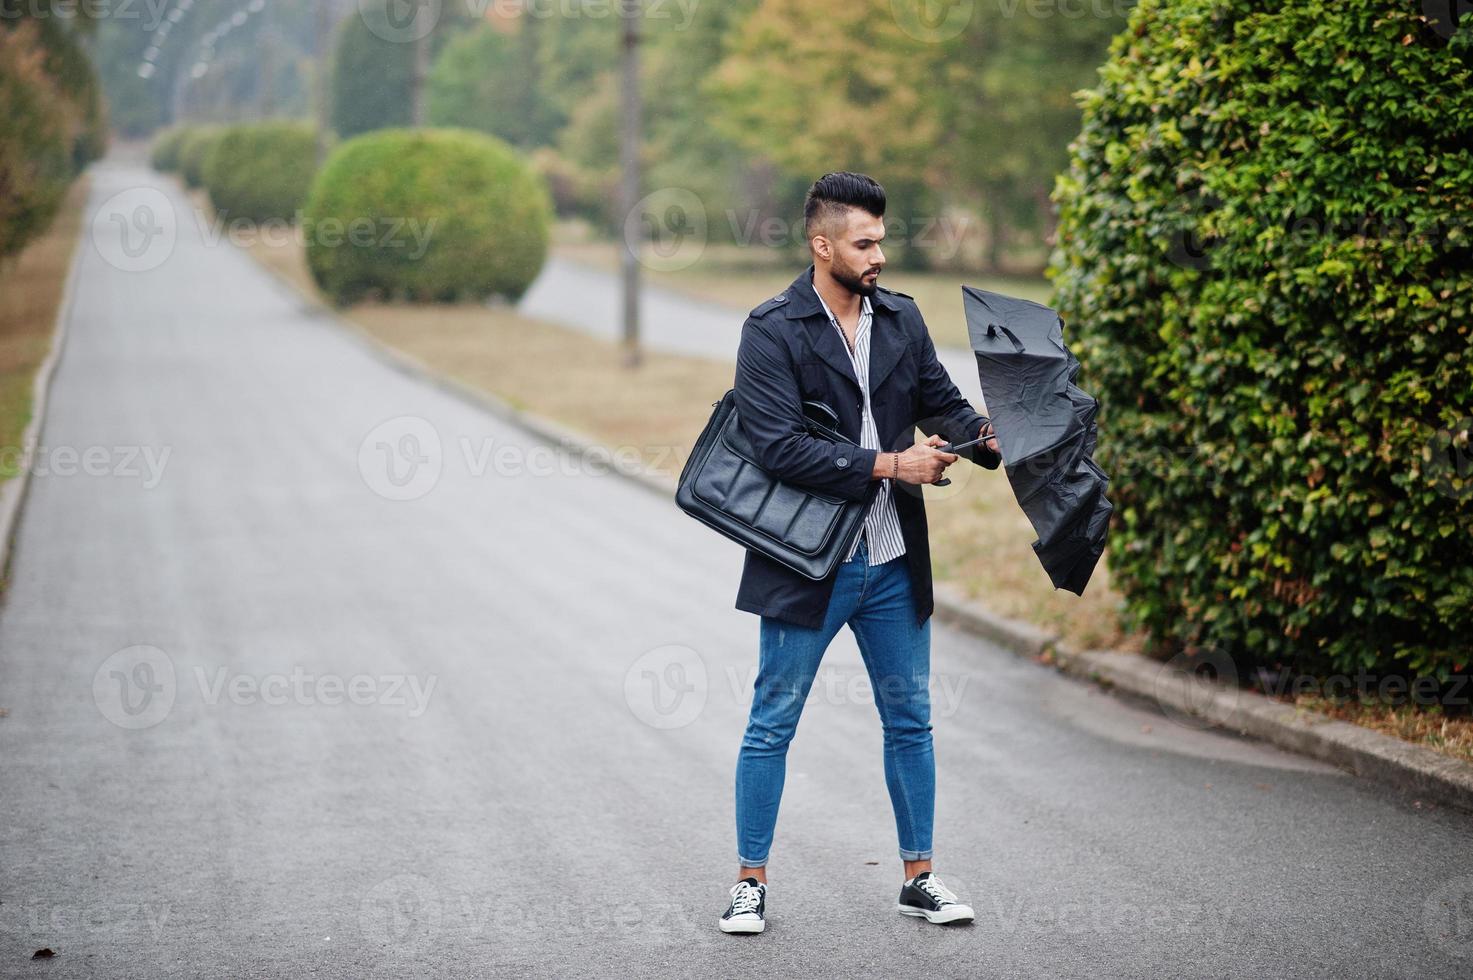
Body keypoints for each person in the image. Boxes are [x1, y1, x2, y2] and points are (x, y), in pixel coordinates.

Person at [719, 171, 1000, 935]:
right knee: (773, 719)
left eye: (882, 239)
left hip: (891, 563)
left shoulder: (902, 320)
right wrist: (888, 463)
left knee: (909, 718)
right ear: (822, 245)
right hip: (808, 562)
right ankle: (749, 881)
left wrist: (984, 436)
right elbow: (776, 446)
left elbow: (940, 402)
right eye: (863, 242)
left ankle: (919, 876)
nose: (878, 254)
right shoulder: (771, 328)